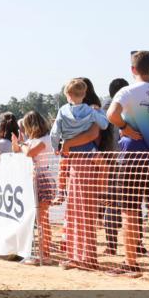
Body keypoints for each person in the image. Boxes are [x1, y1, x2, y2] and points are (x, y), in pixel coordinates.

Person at [106, 51, 149, 276]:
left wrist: (124, 128)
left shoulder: (126, 91)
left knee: (129, 211)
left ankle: (131, 262)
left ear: (133, 69)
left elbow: (111, 114)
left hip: (132, 156)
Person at [51, 78, 110, 270]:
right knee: (83, 212)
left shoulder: (62, 112)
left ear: (67, 94)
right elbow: (103, 125)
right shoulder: (91, 111)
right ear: (84, 93)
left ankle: (84, 257)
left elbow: (54, 134)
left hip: (75, 161)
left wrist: (58, 147)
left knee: (78, 212)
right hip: (87, 159)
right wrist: (97, 113)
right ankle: (83, 255)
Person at [11, 111, 56, 266]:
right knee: (39, 219)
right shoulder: (35, 139)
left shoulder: (45, 139)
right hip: (36, 180)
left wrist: (23, 144)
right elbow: (19, 150)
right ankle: (42, 254)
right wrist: (18, 143)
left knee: (42, 219)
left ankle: (45, 255)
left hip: (42, 180)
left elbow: (29, 153)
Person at [101, 78, 130, 256]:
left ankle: (111, 245)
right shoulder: (130, 109)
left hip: (110, 162)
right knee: (130, 205)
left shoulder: (105, 110)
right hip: (128, 160)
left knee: (111, 204)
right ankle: (138, 243)